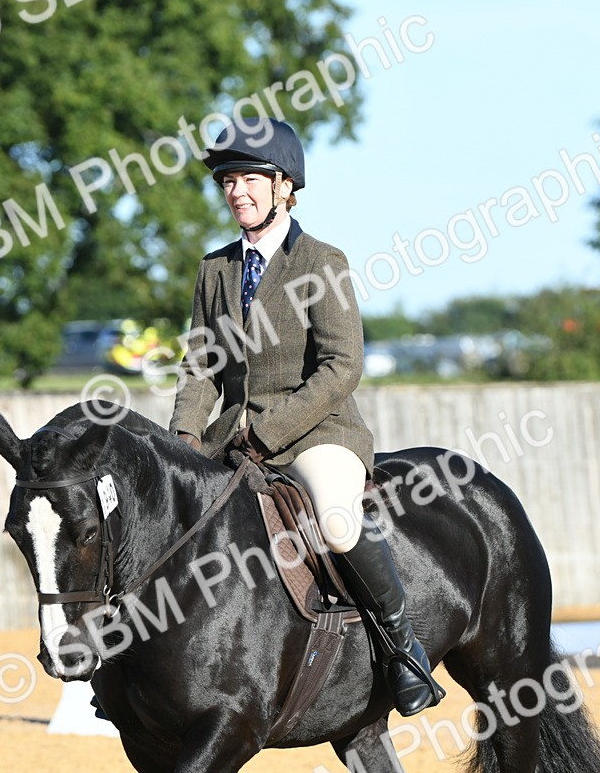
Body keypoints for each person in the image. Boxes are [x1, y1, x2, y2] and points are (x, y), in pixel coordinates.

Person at [168, 116, 441, 717]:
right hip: (231, 437)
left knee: (338, 523)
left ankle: (403, 648)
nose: (236, 191)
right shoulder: (215, 269)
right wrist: (184, 438)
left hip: (317, 434)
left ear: (284, 186)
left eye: (248, 179)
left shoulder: (322, 261)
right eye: (227, 181)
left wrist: (267, 432)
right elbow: (201, 365)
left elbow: (343, 366)